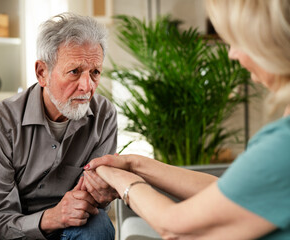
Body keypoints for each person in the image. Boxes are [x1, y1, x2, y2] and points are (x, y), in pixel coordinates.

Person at [84, 0, 290, 239]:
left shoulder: (282, 147)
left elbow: (173, 226)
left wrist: (120, 179)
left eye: (237, 40)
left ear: (271, 41)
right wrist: (134, 164)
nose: (232, 53)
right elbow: (234, 193)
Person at [0, 13, 118, 240]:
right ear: (42, 73)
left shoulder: (104, 116)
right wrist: (53, 217)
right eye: (74, 71)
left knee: (97, 224)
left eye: (95, 72)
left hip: (64, 227)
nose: (87, 86)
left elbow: (92, 200)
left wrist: (103, 193)